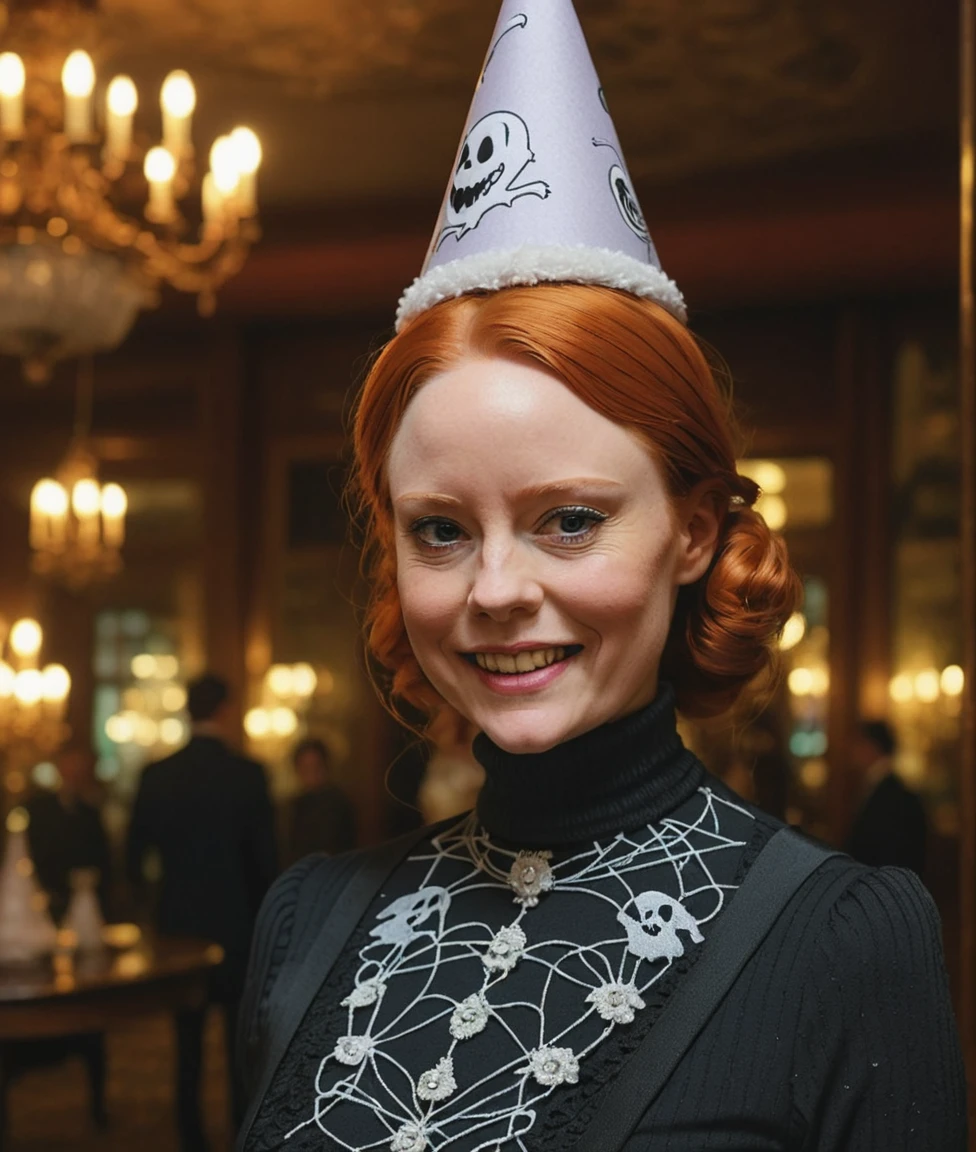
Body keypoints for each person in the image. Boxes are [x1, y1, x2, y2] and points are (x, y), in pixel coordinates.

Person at [235, 3, 966, 1149]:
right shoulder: (304, 920)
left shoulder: (843, 939)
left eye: (567, 520)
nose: (493, 589)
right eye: (438, 530)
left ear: (689, 529)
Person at [127, 673, 277, 1152]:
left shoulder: (158, 775)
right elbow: (267, 863)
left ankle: (191, 1140)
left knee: (185, 1045)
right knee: (239, 1045)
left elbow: (132, 857)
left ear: (187, 711)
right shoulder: (248, 775)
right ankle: (240, 1135)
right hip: (237, 924)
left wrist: (153, 909)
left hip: (178, 928)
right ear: (226, 711)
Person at [846, 719, 927, 875]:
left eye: (858, 744)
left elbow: (893, 852)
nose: (853, 752)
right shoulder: (882, 787)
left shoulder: (892, 795)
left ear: (872, 747)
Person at [284, 737, 357, 864]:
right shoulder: (293, 806)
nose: (311, 773)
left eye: (316, 766)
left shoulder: (339, 803)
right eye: (305, 767)